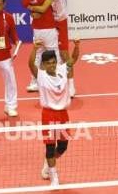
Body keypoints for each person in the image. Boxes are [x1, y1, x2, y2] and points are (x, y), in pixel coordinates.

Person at [28, 39, 80, 186]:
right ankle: (53, 176)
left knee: (62, 147)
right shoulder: (41, 76)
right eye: (48, 63)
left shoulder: (62, 70)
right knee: (50, 147)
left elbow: (73, 59)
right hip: (48, 115)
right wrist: (34, 49)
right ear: (43, 65)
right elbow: (31, 64)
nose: (51, 65)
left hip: (63, 114)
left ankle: (48, 162)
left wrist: (77, 46)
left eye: (53, 62)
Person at [22, 0, 76, 97]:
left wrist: (30, 7)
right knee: (41, 54)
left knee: (64, 55)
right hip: (51, 23)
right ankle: (37, 81)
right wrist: (33, 12)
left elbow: (43, 8)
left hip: (60, 23)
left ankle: (71, 86)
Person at [20, 0, 60, 92]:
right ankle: (57, 81)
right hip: (49, 28)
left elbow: (24, 3)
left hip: (37, 30)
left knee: (38, 56)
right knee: (55, 54)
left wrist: (32, 9)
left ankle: (34, 83)